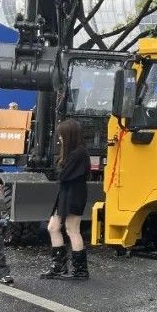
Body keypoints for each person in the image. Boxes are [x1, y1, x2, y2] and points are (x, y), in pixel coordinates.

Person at [41, 119, 91, 280]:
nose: (60, 138)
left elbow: (63, 175)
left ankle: (80, 270)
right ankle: (59, 267)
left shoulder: (78, 153)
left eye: (62, 135)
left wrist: (56, 172)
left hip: (74, 194)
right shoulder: (76, 152)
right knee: (53, 227)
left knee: (72, 230)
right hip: (67, 193)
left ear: (69, 135)